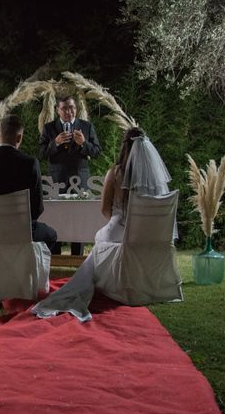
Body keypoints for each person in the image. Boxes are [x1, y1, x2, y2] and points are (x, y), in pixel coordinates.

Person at [31, 127, 173, 322]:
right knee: (103, 237)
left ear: (124, 147)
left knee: (100, 236)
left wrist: (119, 221)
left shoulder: (115, 174)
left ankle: (102, 283)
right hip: (151, 237)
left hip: (120, 232)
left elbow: (105, 210)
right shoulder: (156, 181)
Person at [0, 114, 57, 251]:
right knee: (51, 235)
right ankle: (30, 267)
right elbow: (37, 208)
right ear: (19, 137)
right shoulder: (30, 163)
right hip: (21, 230)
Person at [39, 95, 102, 255]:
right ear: (57, 110)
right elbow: (41, 153)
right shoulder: (49, 128)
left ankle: (77, 258)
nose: (69, 111)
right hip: (57, 180)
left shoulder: (86, 126)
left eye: (72, 107)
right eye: (65, 108)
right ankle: (55, 256)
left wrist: (84, 144)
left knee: (79, 219)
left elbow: (97, 152)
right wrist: (56, 143)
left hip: (80, 180)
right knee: (56, 218)